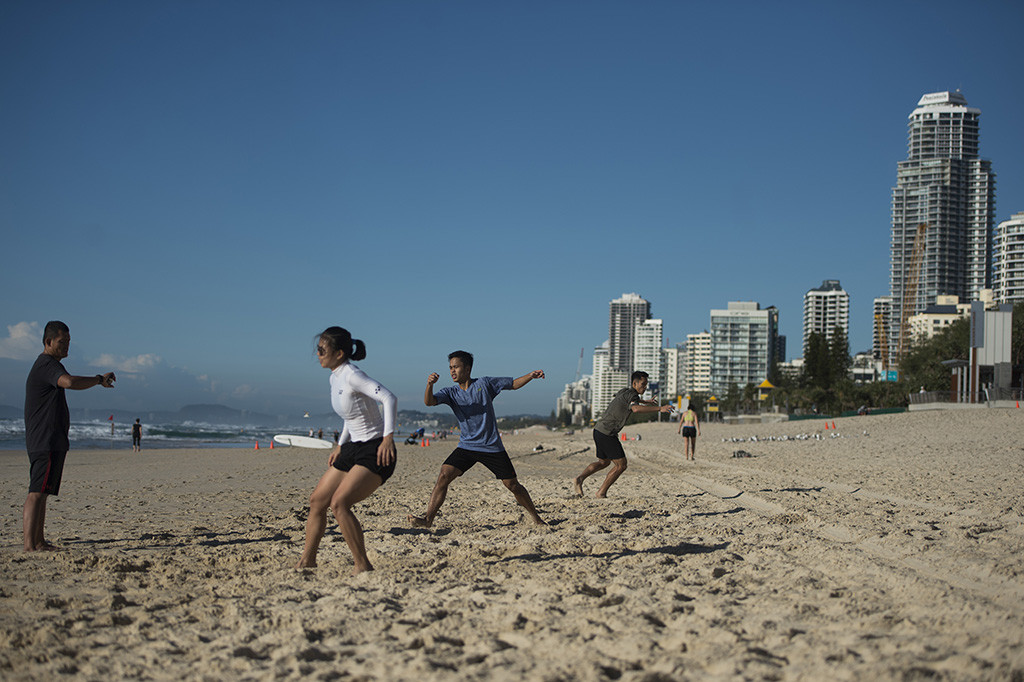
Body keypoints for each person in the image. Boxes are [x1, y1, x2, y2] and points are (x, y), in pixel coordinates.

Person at [296, 327, 397, 575]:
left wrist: (388, 438)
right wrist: (340, 444)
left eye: (322, 350)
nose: (317, 354)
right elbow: (350, 416)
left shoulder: (352, 374)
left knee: (339, 503)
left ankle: (362, 565)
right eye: (317, 349)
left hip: (375, 449)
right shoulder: (334, 376)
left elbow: (389, 398)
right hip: (352, 447)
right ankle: (308, 560)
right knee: (317, 501)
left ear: (339, 353)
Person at [408, 351, 545, 528]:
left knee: (512, 485)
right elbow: (429, 402)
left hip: (491, 446)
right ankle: (428, 520)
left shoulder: (485, 384)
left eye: (456, 367)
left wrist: (530, 376)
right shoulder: (450, 392)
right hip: (467, 446)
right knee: (444, 475)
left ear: (468, 368)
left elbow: (512, 384)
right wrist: (429, 385)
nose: (452, 371)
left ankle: (537, 518)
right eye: (450, 368)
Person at [23, 321, 116, 552]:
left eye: (69, 343)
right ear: (48, 342)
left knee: (43, 492)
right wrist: (97, 379)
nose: (66, 348)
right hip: (44, 439)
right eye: (62, 343)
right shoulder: (46, 364)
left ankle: (38, 541)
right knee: (36, 492)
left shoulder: (49, 364)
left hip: (51, 439)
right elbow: (70, 382)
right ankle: (29, 544)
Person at [574, 371, 671, 498]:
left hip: (599, 430)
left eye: (646, 384)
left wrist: (645, 402)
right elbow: (635, 408)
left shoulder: (625, 391)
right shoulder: (633, 395)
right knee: (621, 465)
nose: (645, 387)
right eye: (643, 384)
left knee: (604, 462)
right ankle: (601, 493)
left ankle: (579, 479)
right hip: (607, 433)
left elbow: (625, 400)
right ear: (634, 383)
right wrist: (660, 408)